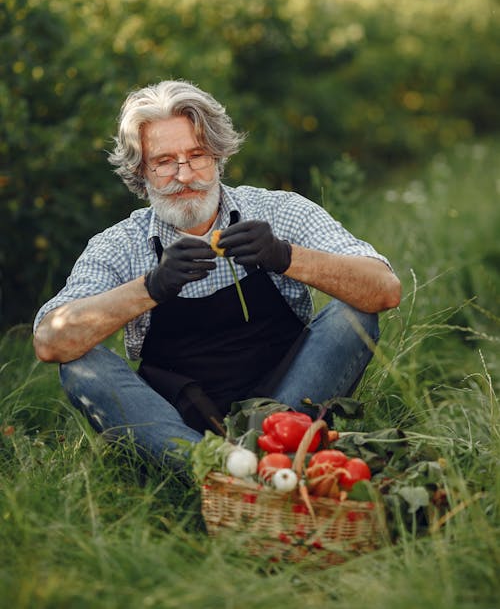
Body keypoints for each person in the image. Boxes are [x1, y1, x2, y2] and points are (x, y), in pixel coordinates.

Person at [33, 79, 401, 467]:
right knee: (79, 365)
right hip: (181, 418)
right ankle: (211, 464)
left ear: (218, 156)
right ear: (140, 172)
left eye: (197, 155)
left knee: (352, 314)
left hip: (286, 400)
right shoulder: (120, 245)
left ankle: (268, 453)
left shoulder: (278, 211)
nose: (185, 174)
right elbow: (49, 342)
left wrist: (285, 255)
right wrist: (150, 287)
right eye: (164, 162)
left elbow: (384, 289)